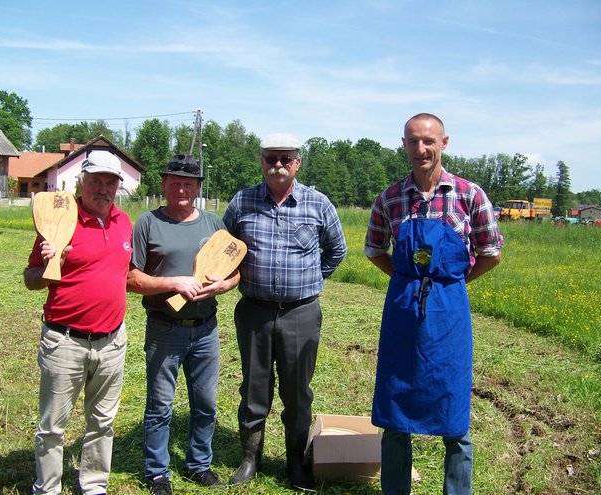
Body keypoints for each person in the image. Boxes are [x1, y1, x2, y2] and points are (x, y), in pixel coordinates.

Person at [364, 113, 504, 495]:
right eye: (413, 141)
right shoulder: (391, 198)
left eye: (428, 141)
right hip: (402, 309)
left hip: (449, 311)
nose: (421, 149)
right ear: (404, 145)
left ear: (444, 142)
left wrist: (453, 283)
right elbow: (373, 248)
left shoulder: (469, 194)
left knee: (453, 409)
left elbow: (491, 253)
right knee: (395, 407)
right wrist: (405, 277)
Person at [223, 133, 347, 490]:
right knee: (253, 387)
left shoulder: (317, 203)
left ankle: (296, 463)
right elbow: (224, 246)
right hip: (254, 312)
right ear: (261, 162)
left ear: (297, 163)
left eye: (285, 158)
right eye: (270, 158)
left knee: (297, 391)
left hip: (300, 314)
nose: (277, 164)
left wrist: (310, 281)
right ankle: (250, 459)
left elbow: (336, 251)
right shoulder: (242, 202)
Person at [127, 154, 240, 495]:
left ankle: (198, 465)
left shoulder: (214, 225)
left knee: (205, 404)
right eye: (174, 181)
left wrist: (224, 285)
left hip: (206, 329)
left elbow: (234, 271)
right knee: (160, 406)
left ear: (197, 188)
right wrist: (173, 283)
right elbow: (132, 278)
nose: (180, 188)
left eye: (188, 183)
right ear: (163, 185)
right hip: (164, 328)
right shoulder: (147, 222)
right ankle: (157, 472)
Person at [24, 150, 133, 495]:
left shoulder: (124, 222)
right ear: (82, 182)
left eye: (110, 182)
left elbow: (126, 274)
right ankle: (48, 488)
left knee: (102, 421)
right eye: (96, 181)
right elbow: (30, 279)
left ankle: (94, 484)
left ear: (118, 186)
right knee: (53, 425)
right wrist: (47, 265)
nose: (103, 189)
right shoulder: (59, 220)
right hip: (64, 340)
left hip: (112, 341)